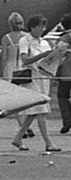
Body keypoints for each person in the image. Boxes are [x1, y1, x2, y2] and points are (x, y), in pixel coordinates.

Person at [15, 15, 62, 153]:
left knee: (36, 112)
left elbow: (50, 61)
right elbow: (25, 60)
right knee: (41, 110)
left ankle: (18, 138)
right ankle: (48, 142)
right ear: (32, 27)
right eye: (39, 26)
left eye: (43, 27)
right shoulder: (24, 41)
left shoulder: (44, 42)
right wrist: (42, 55)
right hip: (31, 78)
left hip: (43, 78)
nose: (41, 29)